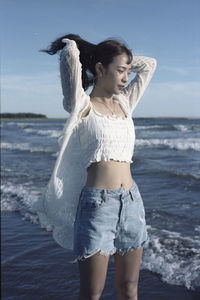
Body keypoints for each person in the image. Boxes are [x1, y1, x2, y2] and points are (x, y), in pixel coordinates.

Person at [36, 33, 157, 300]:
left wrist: (121, 60)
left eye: (128, 71)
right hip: (97, 207)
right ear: (100, 69)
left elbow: (150, 65)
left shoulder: (125, 103)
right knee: (92, 293)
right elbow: (70, 57)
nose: (126, 78)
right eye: (121, 71)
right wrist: (83, 49)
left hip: (132, 202)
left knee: (129, 288)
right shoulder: (81, 105)